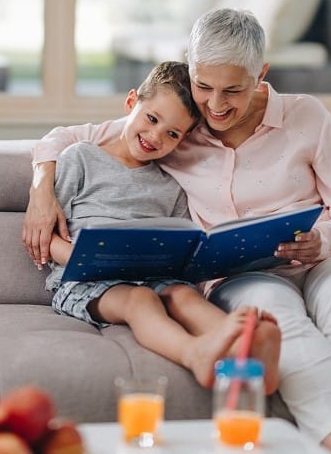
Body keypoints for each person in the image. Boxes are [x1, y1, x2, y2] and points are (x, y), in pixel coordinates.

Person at [22, 9, 331, 454]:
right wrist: (41, 186)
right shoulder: (181, 127)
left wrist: (322, 240)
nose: (216, 105)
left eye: (233, 91)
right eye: (204, 86)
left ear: (260, 75)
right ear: (190, 70)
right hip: (252, 274)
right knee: (278, 323)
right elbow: (79, 138)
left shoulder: (306, 115)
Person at [43, 60, 281, 391]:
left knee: (183, 295)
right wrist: (84, 257)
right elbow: (47, 237)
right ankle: (195, 354)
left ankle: (246, 345)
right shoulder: (80, 157)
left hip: (153, 275)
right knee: (141, 299)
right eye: (151, 119)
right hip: (85, 279)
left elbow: (183, 243)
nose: (155, 137)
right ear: (131, 103)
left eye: (172, 134)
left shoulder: (170, 183)